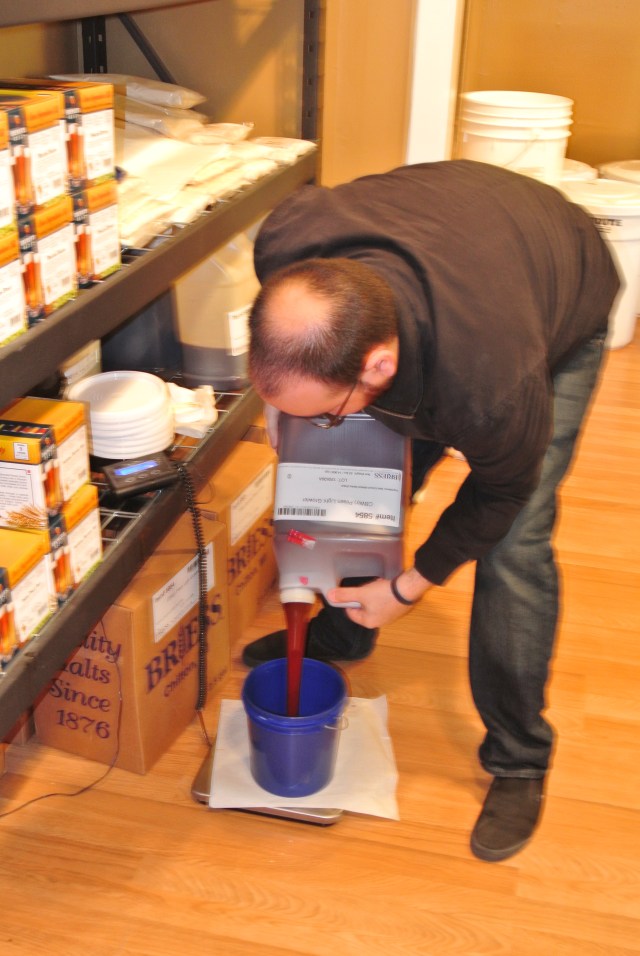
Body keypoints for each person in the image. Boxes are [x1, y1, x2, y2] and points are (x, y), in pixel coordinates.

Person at [241, 159, 619, 862]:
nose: (309, 422)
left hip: (560, 286)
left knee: (515, 545)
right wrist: (280, 400)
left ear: (379, 367)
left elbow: (499, 495)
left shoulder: (492, 384)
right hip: (464, 231)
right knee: (353, 467)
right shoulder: (289, 238)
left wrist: (406, 588)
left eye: (323, 408)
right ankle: (343, 636)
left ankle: (519, 756)